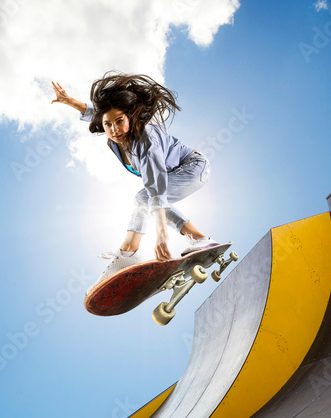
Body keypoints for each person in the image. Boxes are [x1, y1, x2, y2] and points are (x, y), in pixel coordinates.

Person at [51, 72, 218, 293]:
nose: (114, 130)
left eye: (120, 121)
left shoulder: (145, 140)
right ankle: (191, 241)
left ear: (130, 117)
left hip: (193, 167)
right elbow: (97, 114)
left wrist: (161, 235)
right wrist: (69, 101)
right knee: (142, 199)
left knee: (144, 198)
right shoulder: (112, 128)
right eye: (108, 125)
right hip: (173, 173)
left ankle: (130, 253)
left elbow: (156, 189)